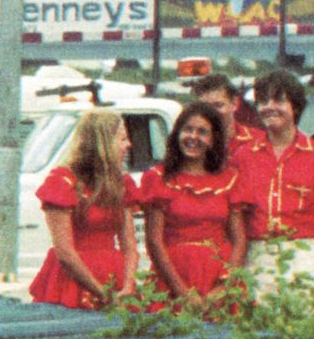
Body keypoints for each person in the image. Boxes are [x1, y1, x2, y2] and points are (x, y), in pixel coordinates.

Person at [234, 69, 314, 288]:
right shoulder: (242, 156)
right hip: (257, 254)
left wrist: (306, 244)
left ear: (296, 106)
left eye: (279, 100)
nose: (269, 107)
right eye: (263, 101)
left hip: (304, 254)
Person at [138, 101, 247, 308]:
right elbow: (154, 241)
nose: (193, 137)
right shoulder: (159, 178)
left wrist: (224, 286)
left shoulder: (229, 179)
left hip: (219, 277)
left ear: (214, 139)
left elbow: (239, 239)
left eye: (202, 132)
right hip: (173, 278)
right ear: (177, 134)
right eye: (187, 130)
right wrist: (181, 292)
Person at [28, 109, 139, 309]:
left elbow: (129, 245)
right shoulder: (63, 182)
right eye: (122, 139)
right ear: (103, 145)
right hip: (74, 278)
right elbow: (65, 252)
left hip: (115, 275)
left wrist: (129, 285)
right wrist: (101, 292)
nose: (129, 145)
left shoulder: (121, 184)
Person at [189, 73, 259, 151]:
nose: (212, 112)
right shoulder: (190, 145)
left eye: (218, 105)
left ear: (235, 103)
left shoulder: (258, 141)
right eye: (205, 107)